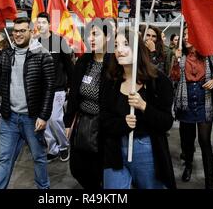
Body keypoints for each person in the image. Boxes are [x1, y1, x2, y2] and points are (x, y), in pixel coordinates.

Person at [0, 17, 55, 189]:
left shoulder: (43, 55)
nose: (18, 34)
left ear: (31, 31)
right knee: (4, 158)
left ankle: (44, 190)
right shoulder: (6, 54)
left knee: (39, 157)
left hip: (32, 118)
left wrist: (43, 116)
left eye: (22, 30)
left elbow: (50, 88)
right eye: (15, 31)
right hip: (9, 118)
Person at [102, 28, 176, 189]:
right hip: (114, 150)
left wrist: (144, 106)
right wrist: (123, 123)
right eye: (116, 45)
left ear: (138, 48)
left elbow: (166, 122)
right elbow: (104, 120)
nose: (119, 50)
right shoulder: (111, 80)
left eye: (126, 44)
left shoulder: (158, 81)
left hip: (146, 149)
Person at [171, 27, 213, 189]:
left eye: (189, 34)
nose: (185, 37)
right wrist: (175, 60)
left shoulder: (208, 55)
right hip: (185, 102)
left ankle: (210, 179)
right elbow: (173, 77)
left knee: (204, 141)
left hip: (204, 102)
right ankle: (188, 166)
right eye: (184, 35)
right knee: (187, 141)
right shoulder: (181, 56)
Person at [64, 21, 113, 189]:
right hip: (82, 123)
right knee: (77, 169)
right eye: (89, 34)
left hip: (104, 127)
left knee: (99, 169)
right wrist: (68, 121)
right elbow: (73, 96)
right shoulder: (83, 61)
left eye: (95, 34)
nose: (90, 38)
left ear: (108, 37)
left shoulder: (115, 64)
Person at [36, 12, 74, 163]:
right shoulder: (35, 43)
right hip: (41, 90)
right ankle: (52, 149)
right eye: (38, 23)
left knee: (54, 119)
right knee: (43, 120)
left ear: (49, 24)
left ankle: (64, 146)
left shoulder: (59, 41)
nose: (40, 25)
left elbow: (69, 66)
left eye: (43, 22)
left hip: (58, 88)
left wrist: (72, 86)